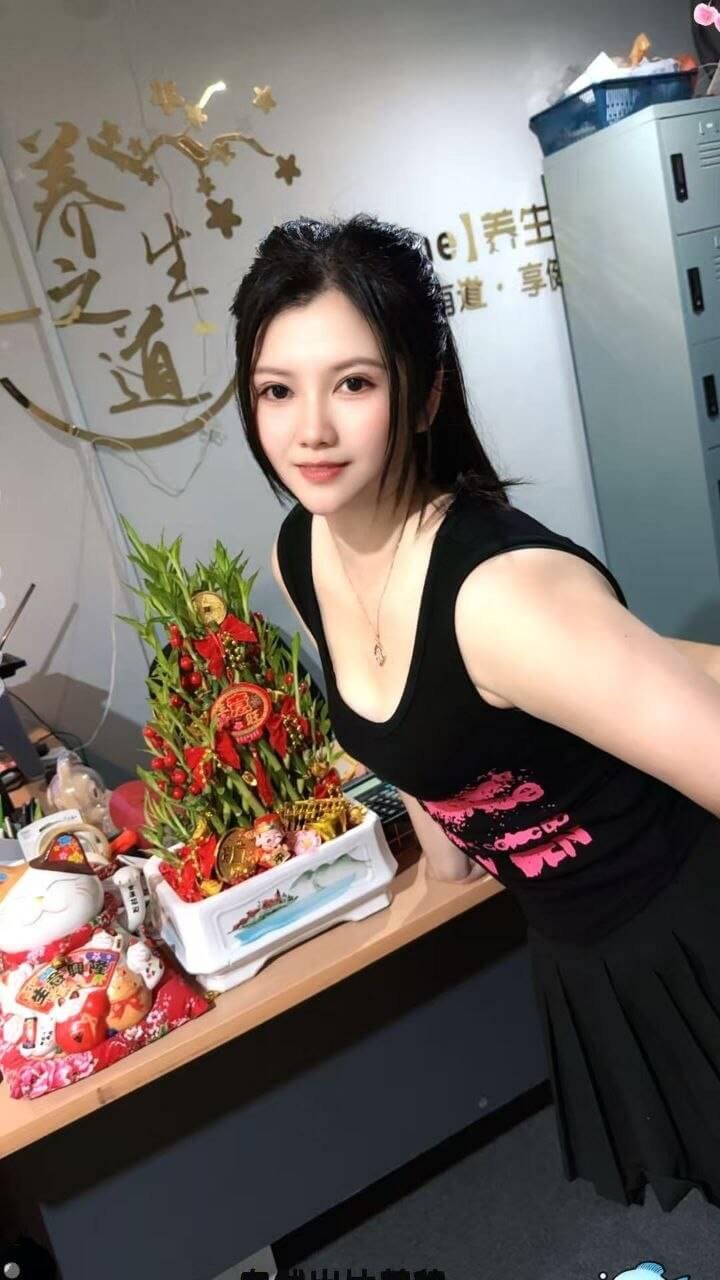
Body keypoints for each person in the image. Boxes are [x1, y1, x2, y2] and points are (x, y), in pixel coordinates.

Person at [230, 212, 720, 1213]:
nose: (309, 429)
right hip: (583, 945)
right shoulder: (301, 552)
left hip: (689, 918)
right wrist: (440, 868)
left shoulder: (501, 595)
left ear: (426, 395)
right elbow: (418, 742)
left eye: (353, 383)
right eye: (278, 389)